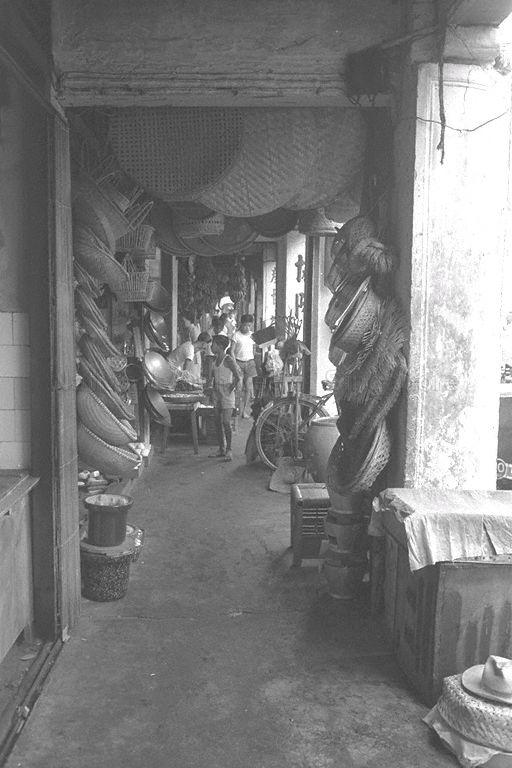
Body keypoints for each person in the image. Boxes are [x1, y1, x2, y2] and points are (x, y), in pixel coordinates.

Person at [209, 334, 241, 461]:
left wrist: (230, 388)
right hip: (216, 391)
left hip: (226, 392)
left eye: (214, 344)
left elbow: (237, 376)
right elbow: (211, 377)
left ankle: (229, 449)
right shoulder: (214, 360)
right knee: (217, 421)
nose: (211, 346)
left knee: (226, 422)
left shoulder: (228, 360)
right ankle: (221, 448)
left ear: (221, 346)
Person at [231, 314, 257, 418]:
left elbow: (254, 349)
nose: (247, 328)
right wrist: (235, 364)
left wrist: (252, 358)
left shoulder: (252, 335)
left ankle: (245, 410)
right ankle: (236, 408)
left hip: (250, 362)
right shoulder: (236, 335)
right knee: (239, 386)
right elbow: (231, 351)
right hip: (238, 362)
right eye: (245, 325)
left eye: (249, 326)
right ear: (241, 324)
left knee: (249, 387)